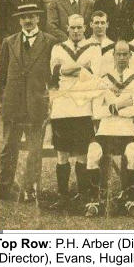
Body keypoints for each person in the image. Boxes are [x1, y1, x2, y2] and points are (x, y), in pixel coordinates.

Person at [0, 4, 58, 201]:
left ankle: (29, 189)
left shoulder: (50, 42)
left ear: (38, 19)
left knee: (34, 150)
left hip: (36, 105)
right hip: (13, 104)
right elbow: (1, 74)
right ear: (19, 20)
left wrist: (50, 101)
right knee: (8, 148)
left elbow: (54, 78)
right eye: (24, 17)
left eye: (31, 16)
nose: (28, 21)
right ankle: (3, 187)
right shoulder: (9, 42)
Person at [84, 41, 134, 217]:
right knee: (93, 152)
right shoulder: (103, 80)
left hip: (128, 131)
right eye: (118, 54)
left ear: (130, 56)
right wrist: (122, 105)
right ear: (113, 55)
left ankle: (130, 200)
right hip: (105, 131)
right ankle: (95, 201)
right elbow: (97, 111)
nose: (121, 57)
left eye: (125, 54)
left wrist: (112, 107)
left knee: (133, 152)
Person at [48, 14, 102, 209]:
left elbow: (93, 74)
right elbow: (54, 73)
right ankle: (63, 196)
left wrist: (66, 70)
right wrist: (80, 68)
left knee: (81, 154)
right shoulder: (57, 48)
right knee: (62, 155)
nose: (76, 31)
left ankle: (83, 194)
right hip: (62, 108)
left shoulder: (94, 48)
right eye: (73, 27)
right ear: (67, 28)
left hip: (83, 107)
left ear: (85, 27)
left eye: (80, 27)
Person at [86, 11, 115, 75]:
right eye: (96, 23)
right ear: (91, 24)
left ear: (107, 24)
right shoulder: (84, 45)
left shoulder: (113, 46)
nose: (100, 26)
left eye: (102, 23)